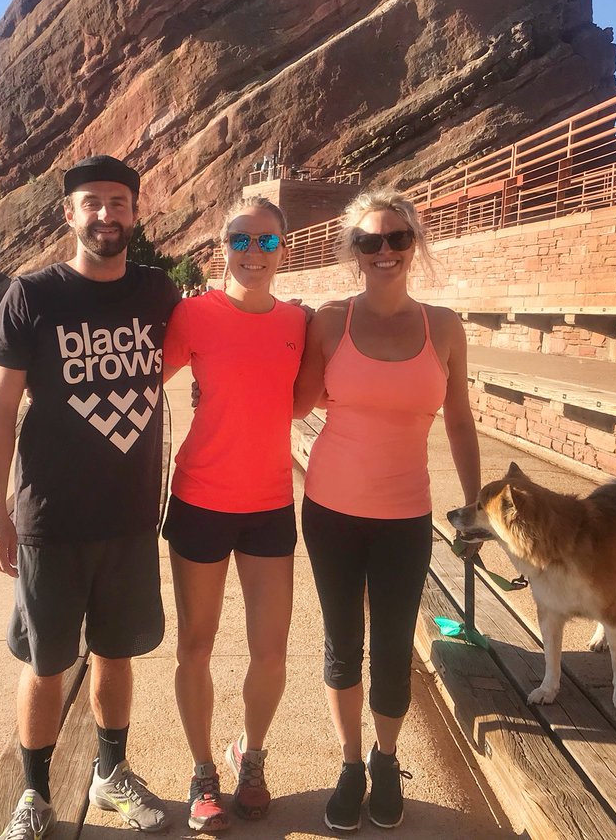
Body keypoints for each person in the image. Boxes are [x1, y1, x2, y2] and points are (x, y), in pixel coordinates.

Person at [0, 155, 180, 840]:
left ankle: (109, 774)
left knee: (116, 654)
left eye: (118, 203)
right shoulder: (33, 295)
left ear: (135, 212)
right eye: (92, 203)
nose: (106, 215)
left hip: (128, 518)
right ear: (70, 214)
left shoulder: (158, 293)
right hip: (49, 518)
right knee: (46, 663)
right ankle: (33, 794)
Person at [292, 190, 481, 832]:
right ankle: (349, 764)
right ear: (353, 252)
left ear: (414, 244)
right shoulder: (329, 321)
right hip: (331, 509)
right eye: (370, 242)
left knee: (394, 643)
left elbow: (458, 421)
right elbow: (295, 403)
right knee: (343, 641)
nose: (385, 252)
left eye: (397, 239)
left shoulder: (445, 326)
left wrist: (475, 502)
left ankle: (385, 758)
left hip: (406, 513)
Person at [161, 197, 306, 832]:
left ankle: (252, 757)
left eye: (268, 242)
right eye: (241, 240)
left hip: (271, 502)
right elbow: (137, 384)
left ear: (285, 250)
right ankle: (201, 772)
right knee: (196, 646)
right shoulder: (192, 316)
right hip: (198, 498)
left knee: (271, 652)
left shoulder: (300, 322)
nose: (254, 253)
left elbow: (301, 402)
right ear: (221, 249)